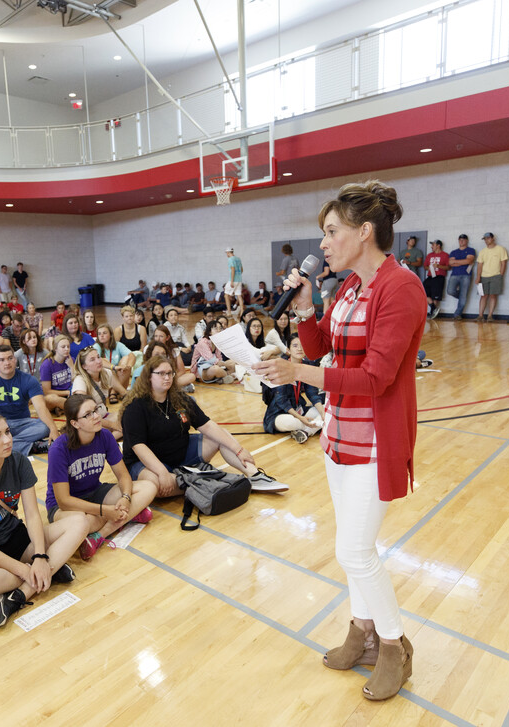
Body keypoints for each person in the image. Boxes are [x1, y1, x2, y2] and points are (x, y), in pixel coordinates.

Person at [253, 179, 423, 701]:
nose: (322, 244)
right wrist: (307, 309)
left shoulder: (402, 288)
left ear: (364, 231)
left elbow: (375, 377)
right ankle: (362, 633)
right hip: (340, 432)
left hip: (376, 438)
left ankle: (395, 646)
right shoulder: (349, 286)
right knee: (355, 548)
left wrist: (295, 372)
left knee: (353, 551)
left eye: (331, 231)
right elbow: (325, 344)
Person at [0, 414, 86, 627]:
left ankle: (21, 594)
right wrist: (24, 570)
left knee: (80, 522)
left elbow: (31, 514)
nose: (8, 440)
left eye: (8, 432)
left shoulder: (18, 461)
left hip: (16, 538)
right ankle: (48, 572)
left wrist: (39, 556)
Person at [121, 356, 286, 498]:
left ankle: (254, 476)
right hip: (147, 462)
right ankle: (207, 479)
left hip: (180, 455)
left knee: (221, 436)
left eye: (170, 373)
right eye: (161, 374)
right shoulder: (136, 407)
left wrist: (238, 449)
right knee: (156, 485)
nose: (167, 378)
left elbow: (207, 426)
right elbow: (138, 446)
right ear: (149, 377)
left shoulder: (180, 398)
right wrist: (162, 473)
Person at [47, 395, 156, 560]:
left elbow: (123, 475)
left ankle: (99, 536)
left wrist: (126, 497)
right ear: (74, 423)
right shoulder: (59, 449)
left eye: (96, 410)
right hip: (65, 507)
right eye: (88, 414)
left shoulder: (105, 436)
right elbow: (64, 500)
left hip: (95, 493)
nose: (96, 416)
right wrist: (105, 511)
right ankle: (129, 515)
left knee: (149, 487)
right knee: (84, 522)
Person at [0, 345, 58, 456]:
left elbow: (41, 408)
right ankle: (31, 446)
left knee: (45, 427)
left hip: (23, 423)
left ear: (15, 359)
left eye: (10, 358)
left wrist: (53, 429)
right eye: (1, 360)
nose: (7, 363)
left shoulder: (29, 380)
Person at [262, 335, 325, 443]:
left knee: (325, 408)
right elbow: (281, 401)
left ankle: (305, 432)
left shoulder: (307, 366)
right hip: (279, 413)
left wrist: (323, 413)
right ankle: (312, 427)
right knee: (292, 423)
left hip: (299, 409)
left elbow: (312, 393)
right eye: (295, 346)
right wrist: (301, 418)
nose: (300, 349)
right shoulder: (281, 367)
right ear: (288, 350)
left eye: (302, 346)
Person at [71, 347, 125, 435]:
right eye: (92, 360)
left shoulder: (106, 373)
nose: (98, 361)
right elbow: (82, 414)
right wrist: (112, 425)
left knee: (127, 418)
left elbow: (124, 392)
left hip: (102, 417)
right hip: (87, 422)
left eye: (98, 357)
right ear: (84, 366)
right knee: (125, 427)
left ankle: (105, 440)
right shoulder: (80, 381)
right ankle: (106, 441)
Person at [474, 232, 508, 322]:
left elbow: (503, 263)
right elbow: (479, 265)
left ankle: (490, 316)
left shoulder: (501, 249)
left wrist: (501, 274)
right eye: (485, 239)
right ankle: (480, 315)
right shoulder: (482, 251)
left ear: (493, 238)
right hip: (484, 276)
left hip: (496, 276)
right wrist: (478, 277)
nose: (486, 240)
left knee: (493, 296)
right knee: (483, 296)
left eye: (488, 238)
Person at [190, 319, 236, 384]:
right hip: (201, 369)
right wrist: (225, 364)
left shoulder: (216, 342)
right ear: (209, 331)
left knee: (233, 363)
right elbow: (212, 360)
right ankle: (227, 376)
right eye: (216, 328)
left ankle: (222, 378)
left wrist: (225, 364)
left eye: (220, 328)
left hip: (214, 365)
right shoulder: (203, 342)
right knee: (215, 369)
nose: (219, 330)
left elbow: (219, 358)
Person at [95, 323, 135, 391]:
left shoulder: (118, 345)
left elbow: (132, 355)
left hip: (120, 376)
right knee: (103, 360)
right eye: (99, 334)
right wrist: (114, 367)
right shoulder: (96, 346)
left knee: (126, 358)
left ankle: (113, 391)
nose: (101, 335)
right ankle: (115, 391)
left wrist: (128, 366)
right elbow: (98, 360)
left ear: (110, 334)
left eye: (104, 333)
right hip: (104, 379)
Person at [40, 336, 74, 412]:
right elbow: (47, 391)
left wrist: (72, 367)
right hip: (56, 396)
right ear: (55, 349)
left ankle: (62, 408)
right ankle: (70, 407)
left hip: (70, 395)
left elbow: (76, 381)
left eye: (68, 346)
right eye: (63, 347)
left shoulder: (71, 360)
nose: (66, 349)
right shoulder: (47, 365)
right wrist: (67, 392)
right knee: (51, 399)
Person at [446, 234, 476, 320]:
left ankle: (457, 314)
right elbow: (450, 263)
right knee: (450, 291)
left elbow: (469, 260)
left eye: (463, 240)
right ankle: (462, 297)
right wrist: (463, 261)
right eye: (460, 240)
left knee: (463, 296)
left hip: (466, 275)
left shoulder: (471, 250)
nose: (461, 241)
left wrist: (456, 262)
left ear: (467, 241)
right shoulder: (453, 252)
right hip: (454, 274)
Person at [422, 240, 449, 319]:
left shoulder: (445, 255)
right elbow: (425, 266)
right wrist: (430, 267)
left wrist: (438, 266)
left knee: (435, 296)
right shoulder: (429, 255)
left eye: (433, 245)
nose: (431, 246)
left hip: (439, 277)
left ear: (438, 246)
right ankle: (434, 309)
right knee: (423, 291)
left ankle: (433, 313)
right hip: (430, 276)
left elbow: (448, 267)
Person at [224, 247, 244, 314]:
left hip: (233, 280)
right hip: (239, 279)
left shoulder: (230, 259)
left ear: (228, 252)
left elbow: (233, 270)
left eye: (226, 253)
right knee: (239, 295)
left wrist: (232, 281)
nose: (226, 254)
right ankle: (242, 312)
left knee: (226, 295)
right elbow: (241, 270)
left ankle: (229, 312)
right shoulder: (238, 259)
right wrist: (238, 276)